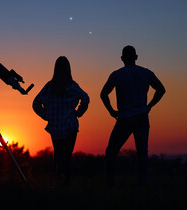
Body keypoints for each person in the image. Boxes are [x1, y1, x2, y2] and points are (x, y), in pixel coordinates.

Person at [100, 45, 165, 187]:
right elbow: (161, 89)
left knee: (111, 151)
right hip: (142, 116)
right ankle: (142, 185)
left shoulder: (117, 75)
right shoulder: (146, 73)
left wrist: (111, 111)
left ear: (122, 58)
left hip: (125, 118)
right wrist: (149, 106)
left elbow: (103, 94)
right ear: (136, 57)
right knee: (142, 153)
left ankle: (110, 185)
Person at [33, 56, 90, 185]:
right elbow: (86, 98)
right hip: (70, 126)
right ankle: (66, 183)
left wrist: (46, 115)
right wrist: (78, 113)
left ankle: (58, 181)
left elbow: (35, 103)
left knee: (58, 156)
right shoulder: (72, 86)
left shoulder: (49, 86)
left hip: (55, 127)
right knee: (67, 156)